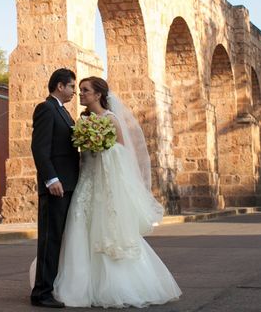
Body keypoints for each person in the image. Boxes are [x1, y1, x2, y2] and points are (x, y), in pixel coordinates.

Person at [51, 76, 182, 308]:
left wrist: (100, 147)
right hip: (86, 181)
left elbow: (121, 153)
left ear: (98, 95)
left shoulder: (110, 120)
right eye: (79, 90)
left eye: (85, 90)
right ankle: (79, 284)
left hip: (104, 183)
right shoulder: (83, 120)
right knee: (79, 225)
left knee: (107, 230)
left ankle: (118, 285)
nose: (81, 94)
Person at [30, 68, 79, 308]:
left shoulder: (65, 113)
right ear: (60, 86)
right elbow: (40, 148)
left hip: (69, 183)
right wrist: (51, 179)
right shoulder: (46, 109)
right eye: (71, 87)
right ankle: (41, 293)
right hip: (56, 186)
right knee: (50, 239)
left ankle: (54, 286)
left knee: (60, 239)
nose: (74, 91)